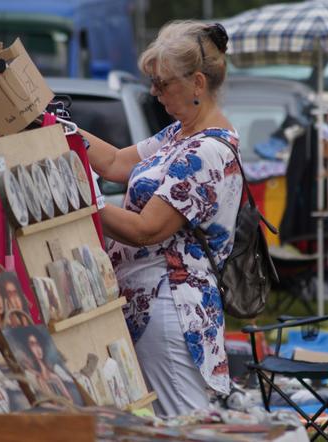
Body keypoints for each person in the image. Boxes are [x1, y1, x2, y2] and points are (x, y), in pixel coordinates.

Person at [79, 21, 239, 417]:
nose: (154, 92)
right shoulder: (180, 135)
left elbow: (145, 230)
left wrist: (79, 200)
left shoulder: (205, 151)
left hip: (171, 310)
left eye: (163, 83)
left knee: (182, 423)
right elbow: (116, 162)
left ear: (198, 83)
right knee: (170, 422)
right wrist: (56, 128)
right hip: (155, 304)